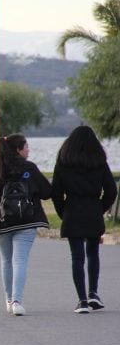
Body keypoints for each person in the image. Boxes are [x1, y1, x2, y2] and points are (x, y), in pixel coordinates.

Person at [0, 134, 52, 316]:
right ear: (18, 149)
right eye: (26, 147)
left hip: (1, 224)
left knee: (7, 261)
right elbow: (47, 192)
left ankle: (9, 300)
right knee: (20, 260)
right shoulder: (30, 168)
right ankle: (17, 301)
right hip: (26, 222)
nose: (28, 150)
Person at [52, 126, 117, 314]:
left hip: (72, 209)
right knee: (93, 254)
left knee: (77, 257)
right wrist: (100, 208)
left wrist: (63, 212)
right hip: (92, 210)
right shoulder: (99, 162)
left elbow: (56, 192)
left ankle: (81, 300)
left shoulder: (63, 163)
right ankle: (93, 293)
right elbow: (111, 191)